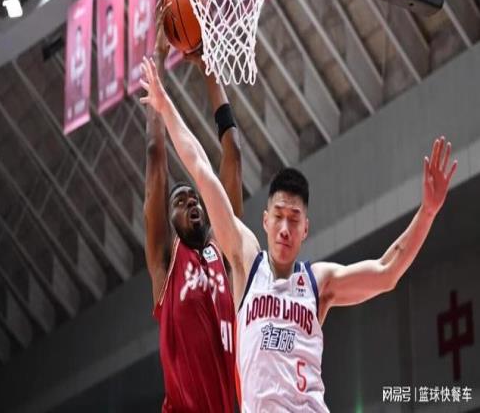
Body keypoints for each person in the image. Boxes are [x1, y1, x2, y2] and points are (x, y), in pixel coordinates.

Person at [141, 56, 458, 412]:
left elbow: (387, 272)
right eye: (278, 216)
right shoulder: (245, 262)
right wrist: (166, 107)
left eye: (294, 219)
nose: (284, 228)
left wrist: (428, 211)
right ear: (264, 221)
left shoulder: (318, 282)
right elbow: (201, 170)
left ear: (306, 228)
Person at [140, 0, 242, 413]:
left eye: (194, 198)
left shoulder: (226, 251)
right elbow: (155, 155)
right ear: (169, 221)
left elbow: (233, 153)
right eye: (180, 201)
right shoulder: (165, 264)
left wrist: (209, 71)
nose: (191, 202)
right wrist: (158, 57)